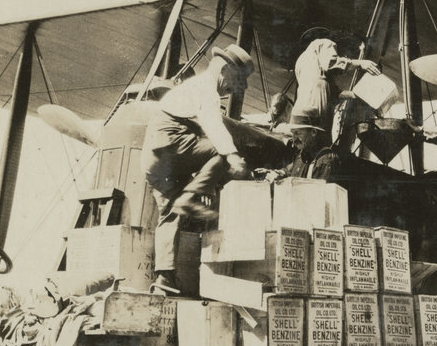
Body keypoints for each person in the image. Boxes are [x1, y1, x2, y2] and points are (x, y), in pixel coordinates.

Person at [141, 44, 254, 294]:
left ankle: (164, 278)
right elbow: (213, 125)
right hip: (170, 144)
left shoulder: (190, 89)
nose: (238, 88)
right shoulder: (206, 88)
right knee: (221, 151)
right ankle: (191, 199)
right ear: (224, 70)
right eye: (238, 80)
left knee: (170, 213)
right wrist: (233, 156)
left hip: (153, 159)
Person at [293, 29, 380, 133]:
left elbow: (333, 93)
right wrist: (359, 63)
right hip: (316, 110)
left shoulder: (303, 62)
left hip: (299, 113)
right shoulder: (324, 42)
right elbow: (331, 62)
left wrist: (355, 95)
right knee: (321, 143)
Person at [254, 106, 342, 182]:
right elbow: (289, 171)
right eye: (293, 133)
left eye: (298, 133)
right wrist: (276, 174)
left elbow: (317, 197)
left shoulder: (326, 161)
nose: (294, 139)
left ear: (313, 132)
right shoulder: (302, 155)